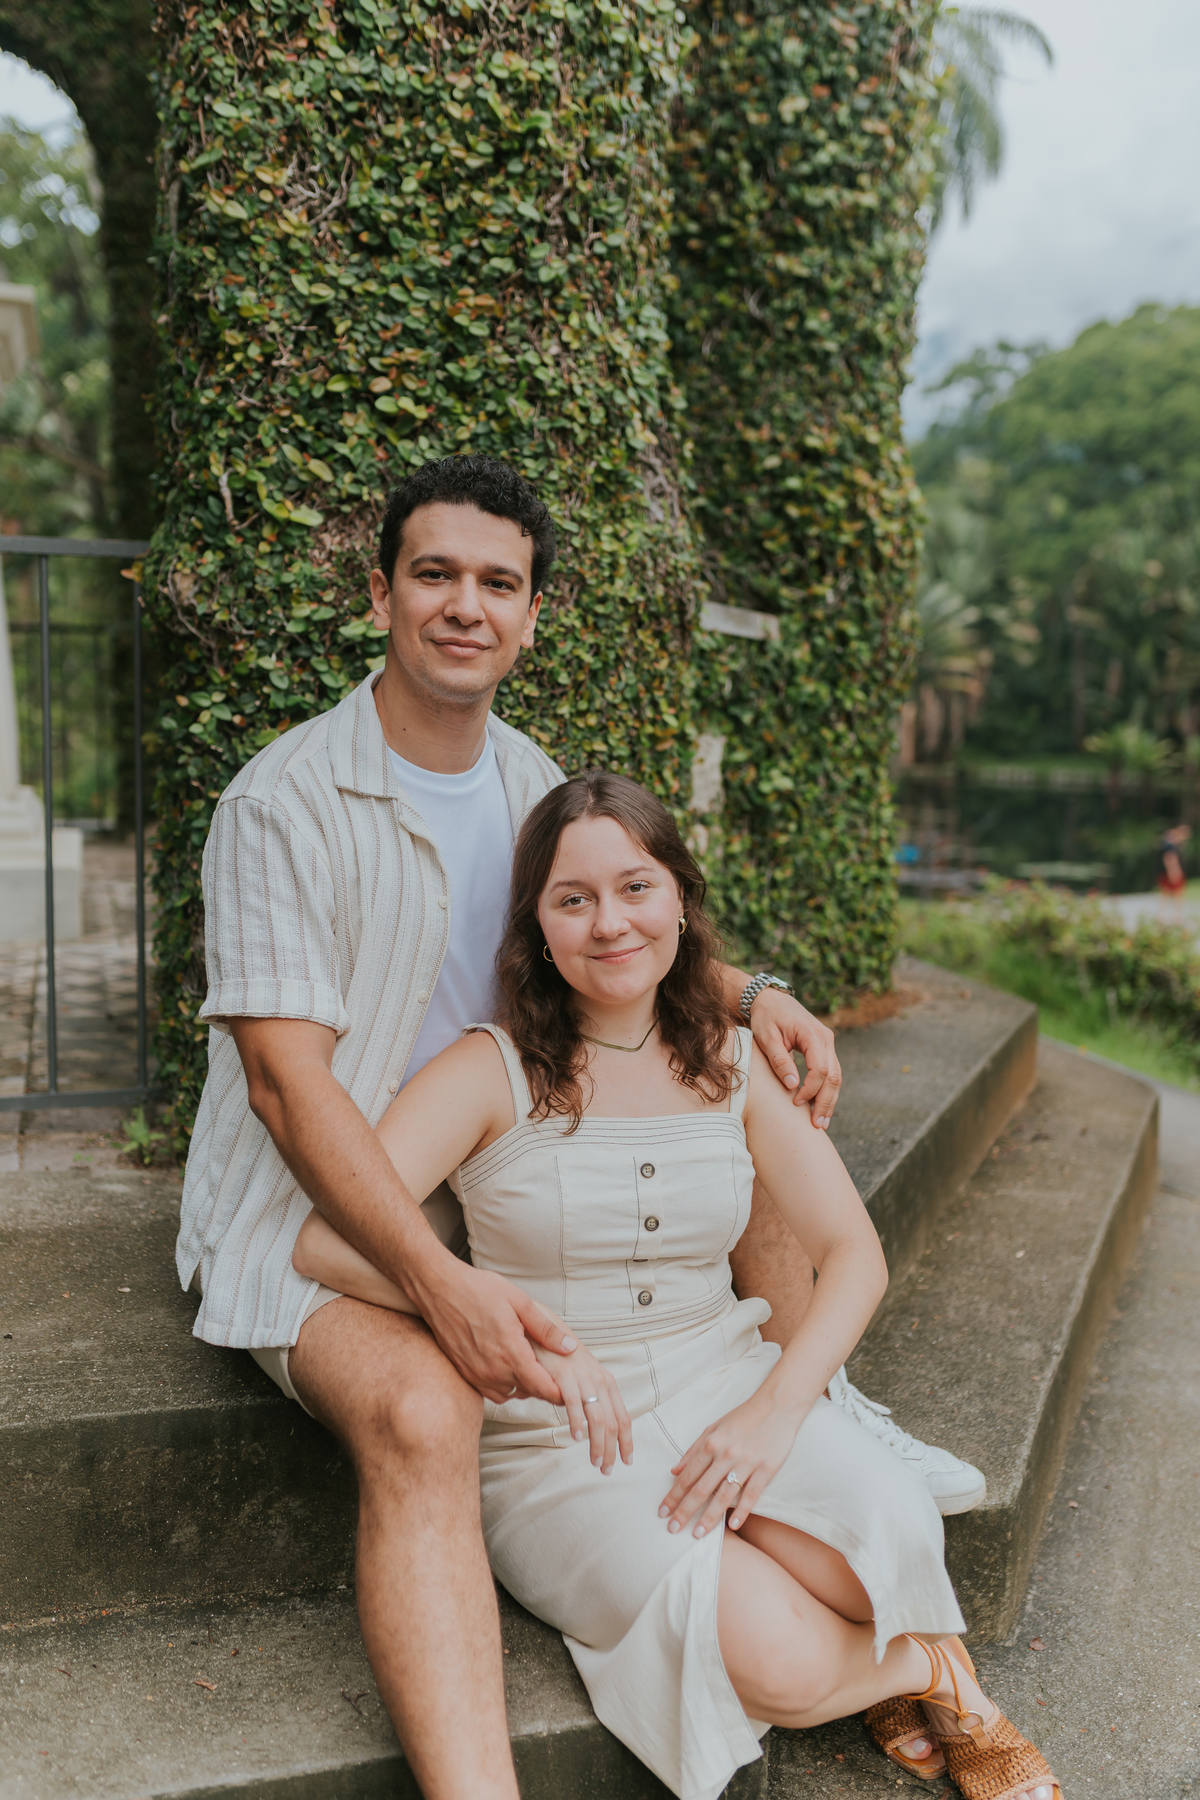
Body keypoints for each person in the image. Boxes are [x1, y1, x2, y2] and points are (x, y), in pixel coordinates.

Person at [177, 455, 981, 1800]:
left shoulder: (526, 777)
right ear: (380, 594)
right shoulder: (284, 803)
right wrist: (443, 1286)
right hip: (324, 1216)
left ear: (532, 615)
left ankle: (814, 1422)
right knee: (427, 1410)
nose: (466, 606)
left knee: (745, 1144)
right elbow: (285, 1089)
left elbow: (616, 926)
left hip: (499, 1173)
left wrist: (754, 997)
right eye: (435, 574)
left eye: (498, 583)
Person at [293, 771, 1060, 1800]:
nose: (610, 923)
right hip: (564, 1438)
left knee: (893, 1531)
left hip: (728, 1381)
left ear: (682, 901)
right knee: (782, 1662)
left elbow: (853, 1252)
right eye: (573, 899)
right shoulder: (488, 1070)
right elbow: (329, 1246)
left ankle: (873, 1644)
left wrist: (773, 1413)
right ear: (537, 928)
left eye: (636, 888)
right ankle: (933, 1672)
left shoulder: (731, 1060)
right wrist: (508, 1322)